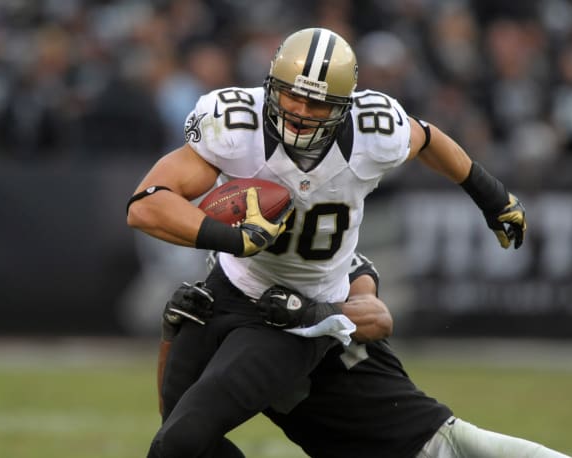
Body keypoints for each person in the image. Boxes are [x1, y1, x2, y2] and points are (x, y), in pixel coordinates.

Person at [126, 27, 531, 457]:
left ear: (343, 106)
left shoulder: (373, 133)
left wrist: (491, 196)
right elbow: (145, 204)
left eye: (317, 103)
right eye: (291, 96)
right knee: (176, 442)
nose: (300, 112)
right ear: (271, 86)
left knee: (181, 441)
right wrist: (233, 239)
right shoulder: (237, 123)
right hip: (229, 287)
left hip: (298, 313)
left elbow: (428, 138)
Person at [158, 253, 570, 458]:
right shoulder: (226, 320)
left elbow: (377, 318)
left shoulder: (324, 268)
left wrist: (312, 313)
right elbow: (176, 419)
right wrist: (173, 336)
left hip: (427, 443)